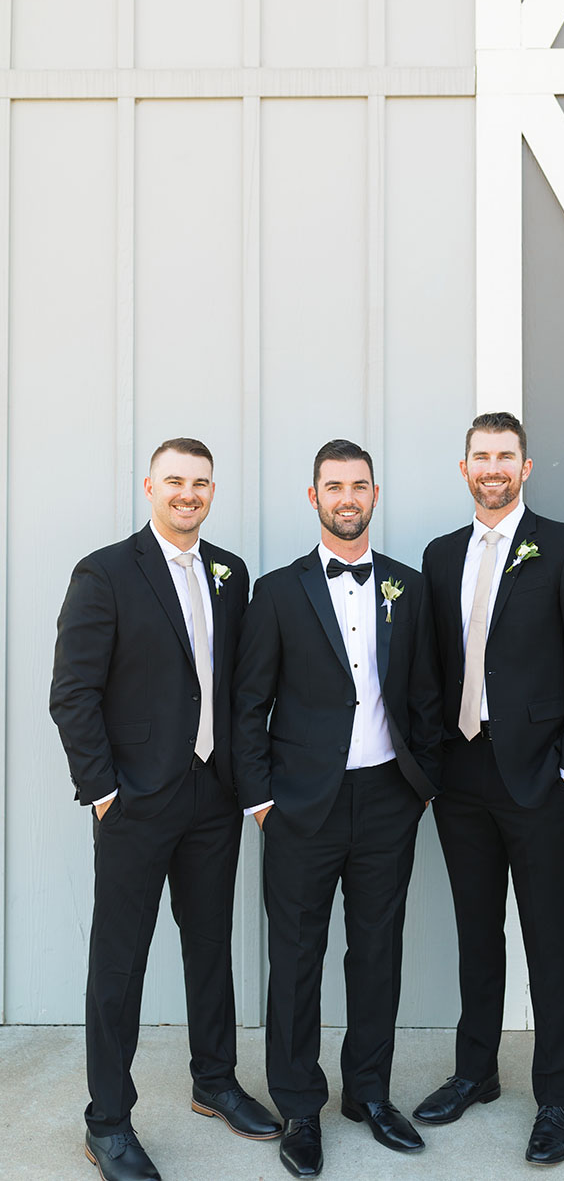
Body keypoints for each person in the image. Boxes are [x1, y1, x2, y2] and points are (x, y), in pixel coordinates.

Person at [50, 438, 280, 1181]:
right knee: (119, 962)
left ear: (213, 490)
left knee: (210, 945)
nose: (188, 493)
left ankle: (214, 1080)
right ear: (150, 485)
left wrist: (246, 782)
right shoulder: (107, 572)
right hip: (136, 802)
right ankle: (107, 1120)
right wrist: (105, 791)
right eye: (175, 480)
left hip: (213, 796)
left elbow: (239, 687)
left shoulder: (230, 571)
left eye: (201, 482)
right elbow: (73, 692)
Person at [231, 438, 441, 1179]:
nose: (347, 496)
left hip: (388, 798)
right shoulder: (278, 591)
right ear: (313, 496)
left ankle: (371, 1093)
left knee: (378, 952)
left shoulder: (409, 589)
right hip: (299, 805)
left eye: (358, 484)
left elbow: (425, 697)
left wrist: (422, 787)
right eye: (333, 485)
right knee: (294, 957)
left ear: (374, 495)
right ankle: (298, 1105)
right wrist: (261, 801)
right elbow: (249, 702)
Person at [415, 411, 564, 1165]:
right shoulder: (440, 555)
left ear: (525, 468)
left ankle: (556, 1094)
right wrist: (430, 770)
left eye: (505, 456)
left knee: (546, 940)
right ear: (464, 468)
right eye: (481, 456)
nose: (492, 467)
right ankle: (476, 1071)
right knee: (476, 932)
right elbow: (429, 669)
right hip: (460, 775)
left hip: (539, 776)